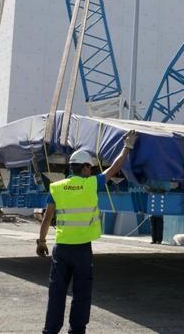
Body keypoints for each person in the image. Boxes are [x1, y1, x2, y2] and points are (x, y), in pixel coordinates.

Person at [37, 130, 138, 334]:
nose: (91, 171)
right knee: (81, 293)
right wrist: (127, 146)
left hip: (62, 249)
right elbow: (115, 167)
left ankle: (50, 331)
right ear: (83, 168)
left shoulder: (56, 187)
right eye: (90, 168)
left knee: (57, 292)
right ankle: (77, 331)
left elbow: (47, 218)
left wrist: (41, 242)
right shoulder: (91, 184)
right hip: (82, 250)